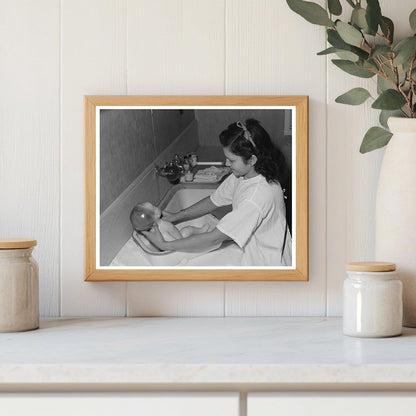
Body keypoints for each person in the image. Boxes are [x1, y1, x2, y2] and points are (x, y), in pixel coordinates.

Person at [143, 119, 292, 266]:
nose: (227, 164)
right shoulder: (244, 175)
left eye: (232, 160)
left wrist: (165, 245)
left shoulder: (256, 197)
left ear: (252, 160)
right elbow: (213, 201)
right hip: (255, 252)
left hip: (269, 264)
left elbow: (215, 238)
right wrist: (177, 216)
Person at [130, 202, 210, 242]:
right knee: (189, 230)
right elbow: (171, 244)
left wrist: (174, 215)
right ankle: (201, 233)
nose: (156, 206)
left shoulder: (158, 221)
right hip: (179, 241)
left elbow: (169, 216)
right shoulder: (162, 233)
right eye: (154, 207)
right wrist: (184, 245)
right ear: (156, 214)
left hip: (178, 235)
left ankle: (201, 230)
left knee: (189, 229)